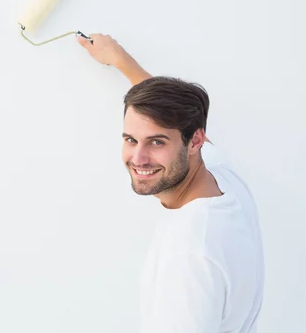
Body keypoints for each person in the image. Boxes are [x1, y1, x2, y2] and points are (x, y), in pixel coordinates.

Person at [78, 34, 264, 332]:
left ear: (195, 141)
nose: (138, 158)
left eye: (156, 142)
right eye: (130, 139)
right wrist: (121, 61)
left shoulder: (188, 258)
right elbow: (175, 120)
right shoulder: (223, 178)